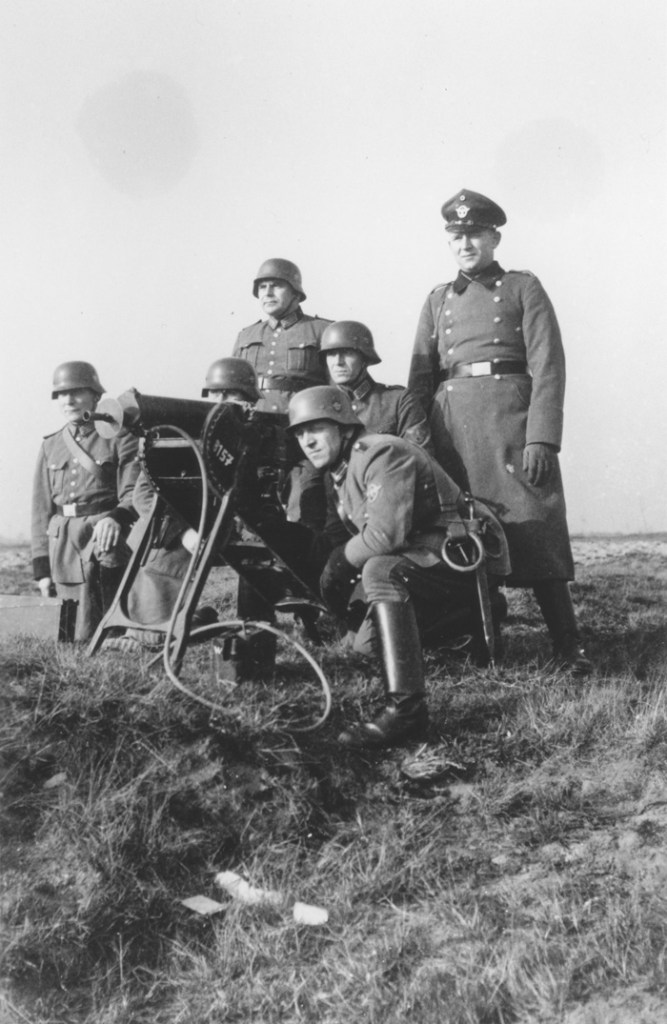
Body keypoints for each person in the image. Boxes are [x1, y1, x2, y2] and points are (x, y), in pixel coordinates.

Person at [408, 189, 591, 675]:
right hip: (453, 431)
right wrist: (419, 441)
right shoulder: (437, 299)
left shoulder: (521, 287)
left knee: (537, 527)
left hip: (511, 422)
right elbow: (421, 379)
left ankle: (568, 645)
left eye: (474, 234)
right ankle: (477, 641)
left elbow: (548, 364)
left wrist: (542, 437)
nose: (465, 243)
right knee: (465, 533)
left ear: (494, 237)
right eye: (457, 236)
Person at [288, 386, 510, 748]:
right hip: (428, 555)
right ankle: (468, 620)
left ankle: (406, 712)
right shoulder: (343, 469)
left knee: (380, 570)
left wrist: (338, 563)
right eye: (299, 434)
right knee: (365, 648)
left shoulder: (381, 452)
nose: (307, 441)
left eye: (316, 429)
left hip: (465, 554)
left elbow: (384, 537)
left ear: (345, 428)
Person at [31, 361, 139, 640]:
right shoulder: (50, 445)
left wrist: (117, 517)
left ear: (95, 396)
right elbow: (41, 511)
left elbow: (133, 493)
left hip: (103, 537)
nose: (69, 400)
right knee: (66, 633)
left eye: (77, 392)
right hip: (63, 545)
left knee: (104, 627)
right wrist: (42, 570)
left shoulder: (120, 438)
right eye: (62, 395)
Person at [232, 258, 332, 529]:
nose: (267, 292)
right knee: (248, 513)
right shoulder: (245, 336)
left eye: (276, 286)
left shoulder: (321, 331)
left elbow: (336, 392)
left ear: (296, 292)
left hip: (301, 438)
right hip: (255, 439)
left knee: (304, 508)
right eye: (262, 287)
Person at [321, 319, 469, 487]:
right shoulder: (321, 406)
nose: (338, 361)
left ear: (365, 359)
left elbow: (420, 457)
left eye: (347, 353)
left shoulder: (397, 400)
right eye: (331, 354)